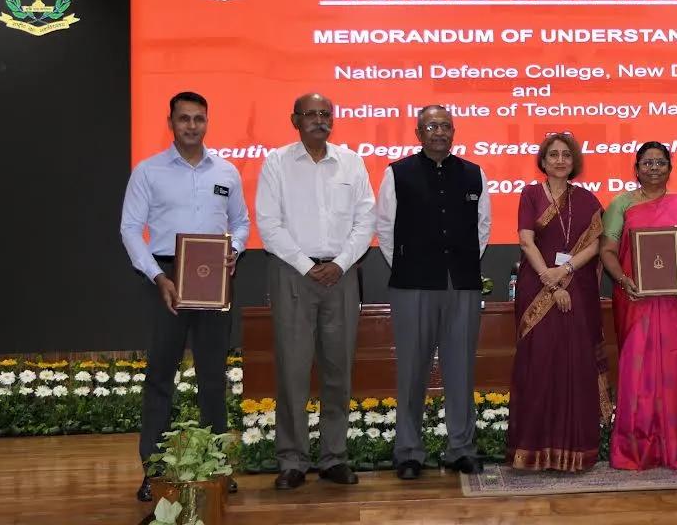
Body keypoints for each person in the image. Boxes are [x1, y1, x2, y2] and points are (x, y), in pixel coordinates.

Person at [119, 91, 249, 502]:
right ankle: (153, 472)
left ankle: (217, 468)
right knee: (160, 377)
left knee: (213, 378)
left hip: (214, 281)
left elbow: (241, 223)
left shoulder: (226, 171)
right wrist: (158, 276)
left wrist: (235, 250)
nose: (192, 126)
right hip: (166, 280)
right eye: (184, 118)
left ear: (206, 122)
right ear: (171, 123)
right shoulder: (148, 171)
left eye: (198, 119)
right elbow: (129, 228)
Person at [256, 93, 376, 489]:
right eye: (311, 114)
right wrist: (308, 266)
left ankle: (333, 457)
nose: (319, 120)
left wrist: (339, 263)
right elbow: (268, 224)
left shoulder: (352, 162)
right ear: (295, 120)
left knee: (338, 370)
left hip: (342, 275)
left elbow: (366, 220)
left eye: (325, 114)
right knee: (293, 370)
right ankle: (292, 459)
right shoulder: (276, 163)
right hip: (293, 273)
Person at [376, 105, 491, 480]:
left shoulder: (474, 173)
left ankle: (461, 448)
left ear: (453, 132)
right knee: (412, 369)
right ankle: (409, 451)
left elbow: (483, 228)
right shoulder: (397, 173)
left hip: (461, 284)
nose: (439, 132)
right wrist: (409, 265)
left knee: (461, 368)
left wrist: (459, 263)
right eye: (431, 126)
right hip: (413, 284)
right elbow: (385, 228)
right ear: (418, 132)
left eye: (445, 126)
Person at [599, 142, 677, 471]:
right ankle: (633, 450)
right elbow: (607, 250)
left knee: (676, 371)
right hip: (634, 299)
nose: (654, 168)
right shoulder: (621, 204)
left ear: (670, 168)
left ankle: (676, 448)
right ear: (636, 169)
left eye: (660, 162)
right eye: (647, 163)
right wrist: (623, 280)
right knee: (636, 373)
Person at [508, 133, 608, 472]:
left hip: (577, 288)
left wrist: (564, 270)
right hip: (536, 287)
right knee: (539, 366)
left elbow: (595, 245)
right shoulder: (530, 194)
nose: (560, 160)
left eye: (566, 154)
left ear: (574, 161)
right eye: (553, 154)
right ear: (543, 160)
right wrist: (549, 280)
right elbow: (526, 241)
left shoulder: (587, 200)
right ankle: (532, 451)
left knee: (574, 368)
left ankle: (575, 452)